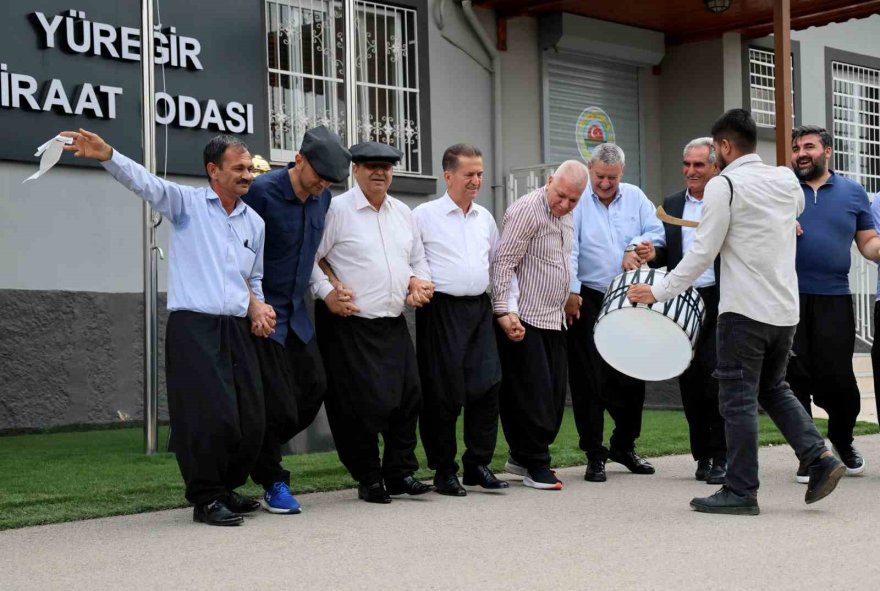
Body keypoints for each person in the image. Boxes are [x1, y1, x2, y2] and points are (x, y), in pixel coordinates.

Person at [628, 108, 846, 516]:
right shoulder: (785, 179)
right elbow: (795, 210)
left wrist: (658, 292)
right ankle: (819, 458)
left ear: (725, 146)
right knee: (773, 388)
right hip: (785, 311)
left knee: (738, 400)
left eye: (714, 149)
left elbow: (701, 254)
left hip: (743, 313)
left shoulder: (722, 186)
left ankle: (741, 490)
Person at [61, 128, 271, 526]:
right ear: (214, 171)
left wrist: (259, 308)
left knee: (251, 418)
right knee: (208, 417)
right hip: (194, 328)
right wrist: (108, 155)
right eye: (238, 168)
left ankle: (226, 487)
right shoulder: (186, 204)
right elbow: (144, 182)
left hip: (238, 329)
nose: (247, 174)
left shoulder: (254, 222)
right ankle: (206, 497)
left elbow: (254, 278)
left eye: (249, 168)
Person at [310, 141, 436, 504]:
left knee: (409, 397)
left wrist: (417, 282)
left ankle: (399, 472)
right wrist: (327, 293)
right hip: (351, 325)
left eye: (387, 167)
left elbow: (418, 259)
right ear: (355, 170)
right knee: (359, 406)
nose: (380, 173)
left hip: (393, 321)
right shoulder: (336, 210)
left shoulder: (403, 213)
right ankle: (368, 477)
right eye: (371, 167)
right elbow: (312, 258)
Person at [241, 126, 352, 514]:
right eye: (318, 175)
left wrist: (332, 284)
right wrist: (253, 303)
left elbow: (316, 255)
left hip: (298, 316)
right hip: (262, 317)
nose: (323, 184)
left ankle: (251, 449)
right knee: (278, 405)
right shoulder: (262, 192)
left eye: (330, 180)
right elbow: (235, 252)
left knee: (314, 388)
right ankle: (273, 481)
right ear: (299, 159)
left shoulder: (323, 200)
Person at [565, 143, 665, 483]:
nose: (605, 184)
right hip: (589, 298)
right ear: (589, 170)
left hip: (630, 297)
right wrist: (572, 291)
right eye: (599, 177)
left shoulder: (636, 197)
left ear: (622, 174)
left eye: (612, 178)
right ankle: (594, 454)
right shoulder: (578, 201)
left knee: (631, 376)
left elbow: (657, 233)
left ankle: (624, 445)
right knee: (588, 379)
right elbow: (570, 247)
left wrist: (635, 247)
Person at [785, 124, 880, 483]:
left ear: (827, 152)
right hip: (788, 297)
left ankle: (842, 439)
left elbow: (868, 242)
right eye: (796, 148)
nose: (800, 153)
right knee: (794, 378)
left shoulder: (854, 193)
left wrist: (878, 251)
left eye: (808, 146)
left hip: (835, 298)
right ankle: (810, 453)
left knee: (839, 380)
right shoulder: (782, 190)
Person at [412, 144, 507, 497]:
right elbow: (414, 260)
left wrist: (503, 309)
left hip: (479, 309)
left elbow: (496, 266)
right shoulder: (423, 215)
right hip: (441, 311)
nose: (476, 180)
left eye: (480, 173)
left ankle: (478, 464)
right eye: (469, 174)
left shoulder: (485, 217)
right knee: (442, 392)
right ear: (448, 175)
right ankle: (443, 470)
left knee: (487, 385)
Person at [492, 160, 588, 491]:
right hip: (525, 318)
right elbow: (503, 261)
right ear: (550, 182)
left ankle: (521, 458)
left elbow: (564, 257)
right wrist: (504, 311)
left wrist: (570, 291)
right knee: (532, 396)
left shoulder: (568, 214)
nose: (564, 205)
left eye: (573, 200)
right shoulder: (527, 211)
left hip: (554, 318)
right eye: (560, 196)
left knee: (553, 395)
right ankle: (536, 463)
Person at [652, 137, 727, 485]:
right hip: (682, 302)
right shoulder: (671, 204)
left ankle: (722, 454)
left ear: (714, 166)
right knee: (690, 381)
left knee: (717, 379)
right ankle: (703, 455)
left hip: (720, 299)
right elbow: (667, 253)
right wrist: (647, 254)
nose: (691, 171)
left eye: (699, 165)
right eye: (687, 164)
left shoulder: (727, 198)